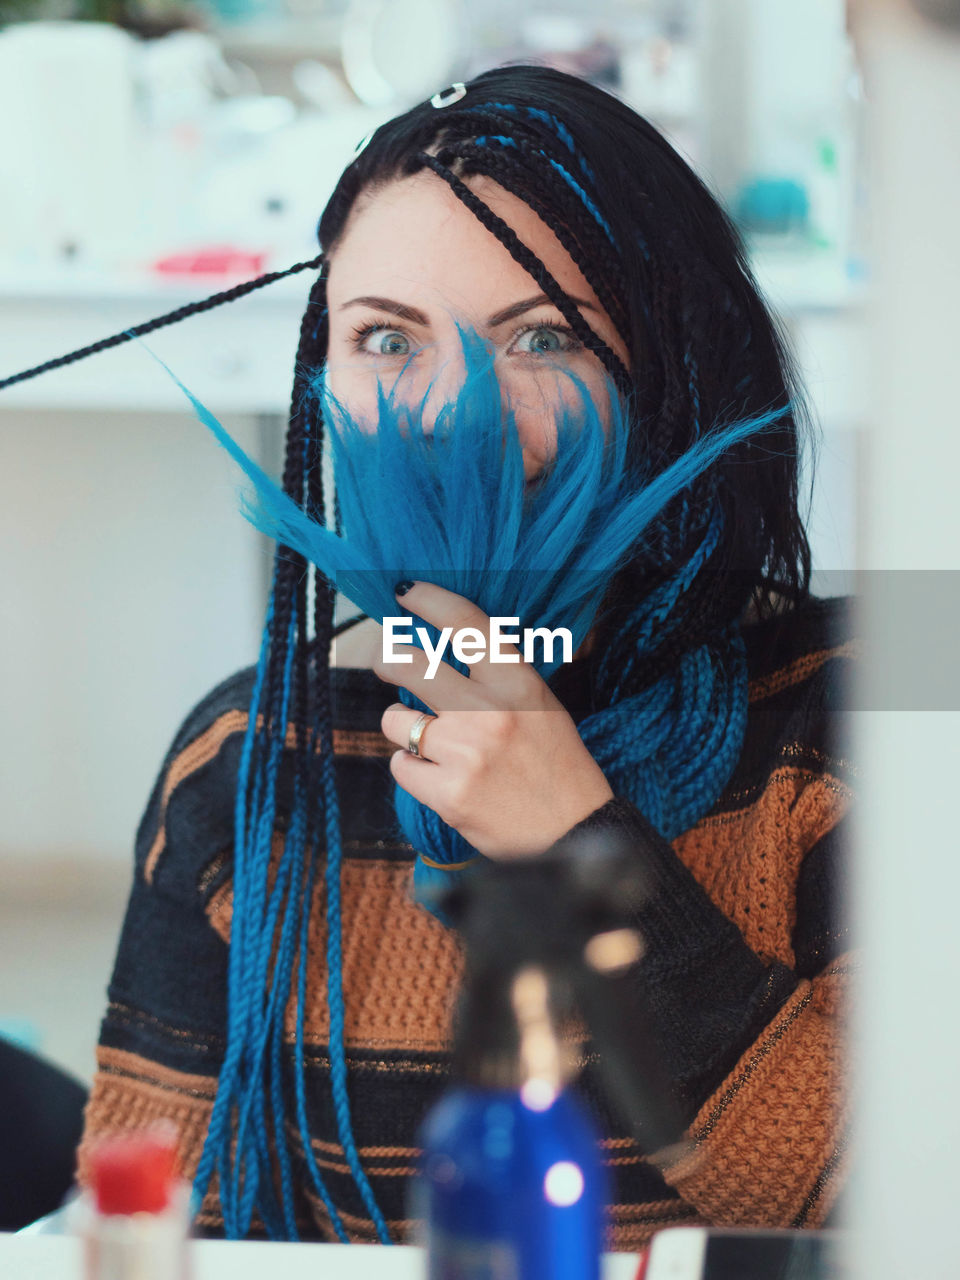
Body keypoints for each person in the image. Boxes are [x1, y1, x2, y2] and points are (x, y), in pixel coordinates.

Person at [68, 65, 856, 1249]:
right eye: (385, 337)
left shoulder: (839, 716)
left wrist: (580, 842)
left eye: (541, 335)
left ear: (675, 370)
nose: (453, 415)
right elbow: (151, 1230)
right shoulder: (244, 760)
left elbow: (895, 1198)